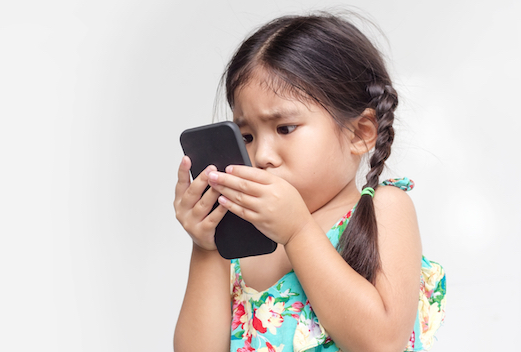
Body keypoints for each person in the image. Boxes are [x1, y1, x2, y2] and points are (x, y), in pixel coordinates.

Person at [173, 12, 446, 352]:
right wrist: (208, 247)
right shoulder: (244, 242)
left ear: (360, 134)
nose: (262, 155)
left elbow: (381, 343)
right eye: (246, 135)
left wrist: (299, 231)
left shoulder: (384, 208)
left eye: (285, 128)